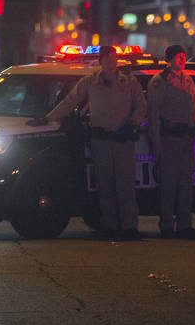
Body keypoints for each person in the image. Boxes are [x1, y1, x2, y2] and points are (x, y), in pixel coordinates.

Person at [42, 45, 146, 241]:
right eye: (107, 59)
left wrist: (133, 124)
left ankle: (130, 227)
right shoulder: (90, 82)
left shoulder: (129, 81)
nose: (111, 62)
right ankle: (109, 226)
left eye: (113, 58)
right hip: (101, 141)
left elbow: (141, 105)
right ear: (101, 61)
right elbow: (70, 101)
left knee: (125, 186)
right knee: (105, 185)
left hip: (123, 140)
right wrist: (48, 118)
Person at [147, 45, 195, 240]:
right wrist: (156, 142)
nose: (182, 60)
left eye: (183, 57)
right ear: (169, 59)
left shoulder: (188, 79)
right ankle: (166, 225)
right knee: (169, 184)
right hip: (169, 138)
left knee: (186, 183)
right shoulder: (160, 81)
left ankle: (184, 225)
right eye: (178, 57)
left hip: (186, 138)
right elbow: (154, 114)